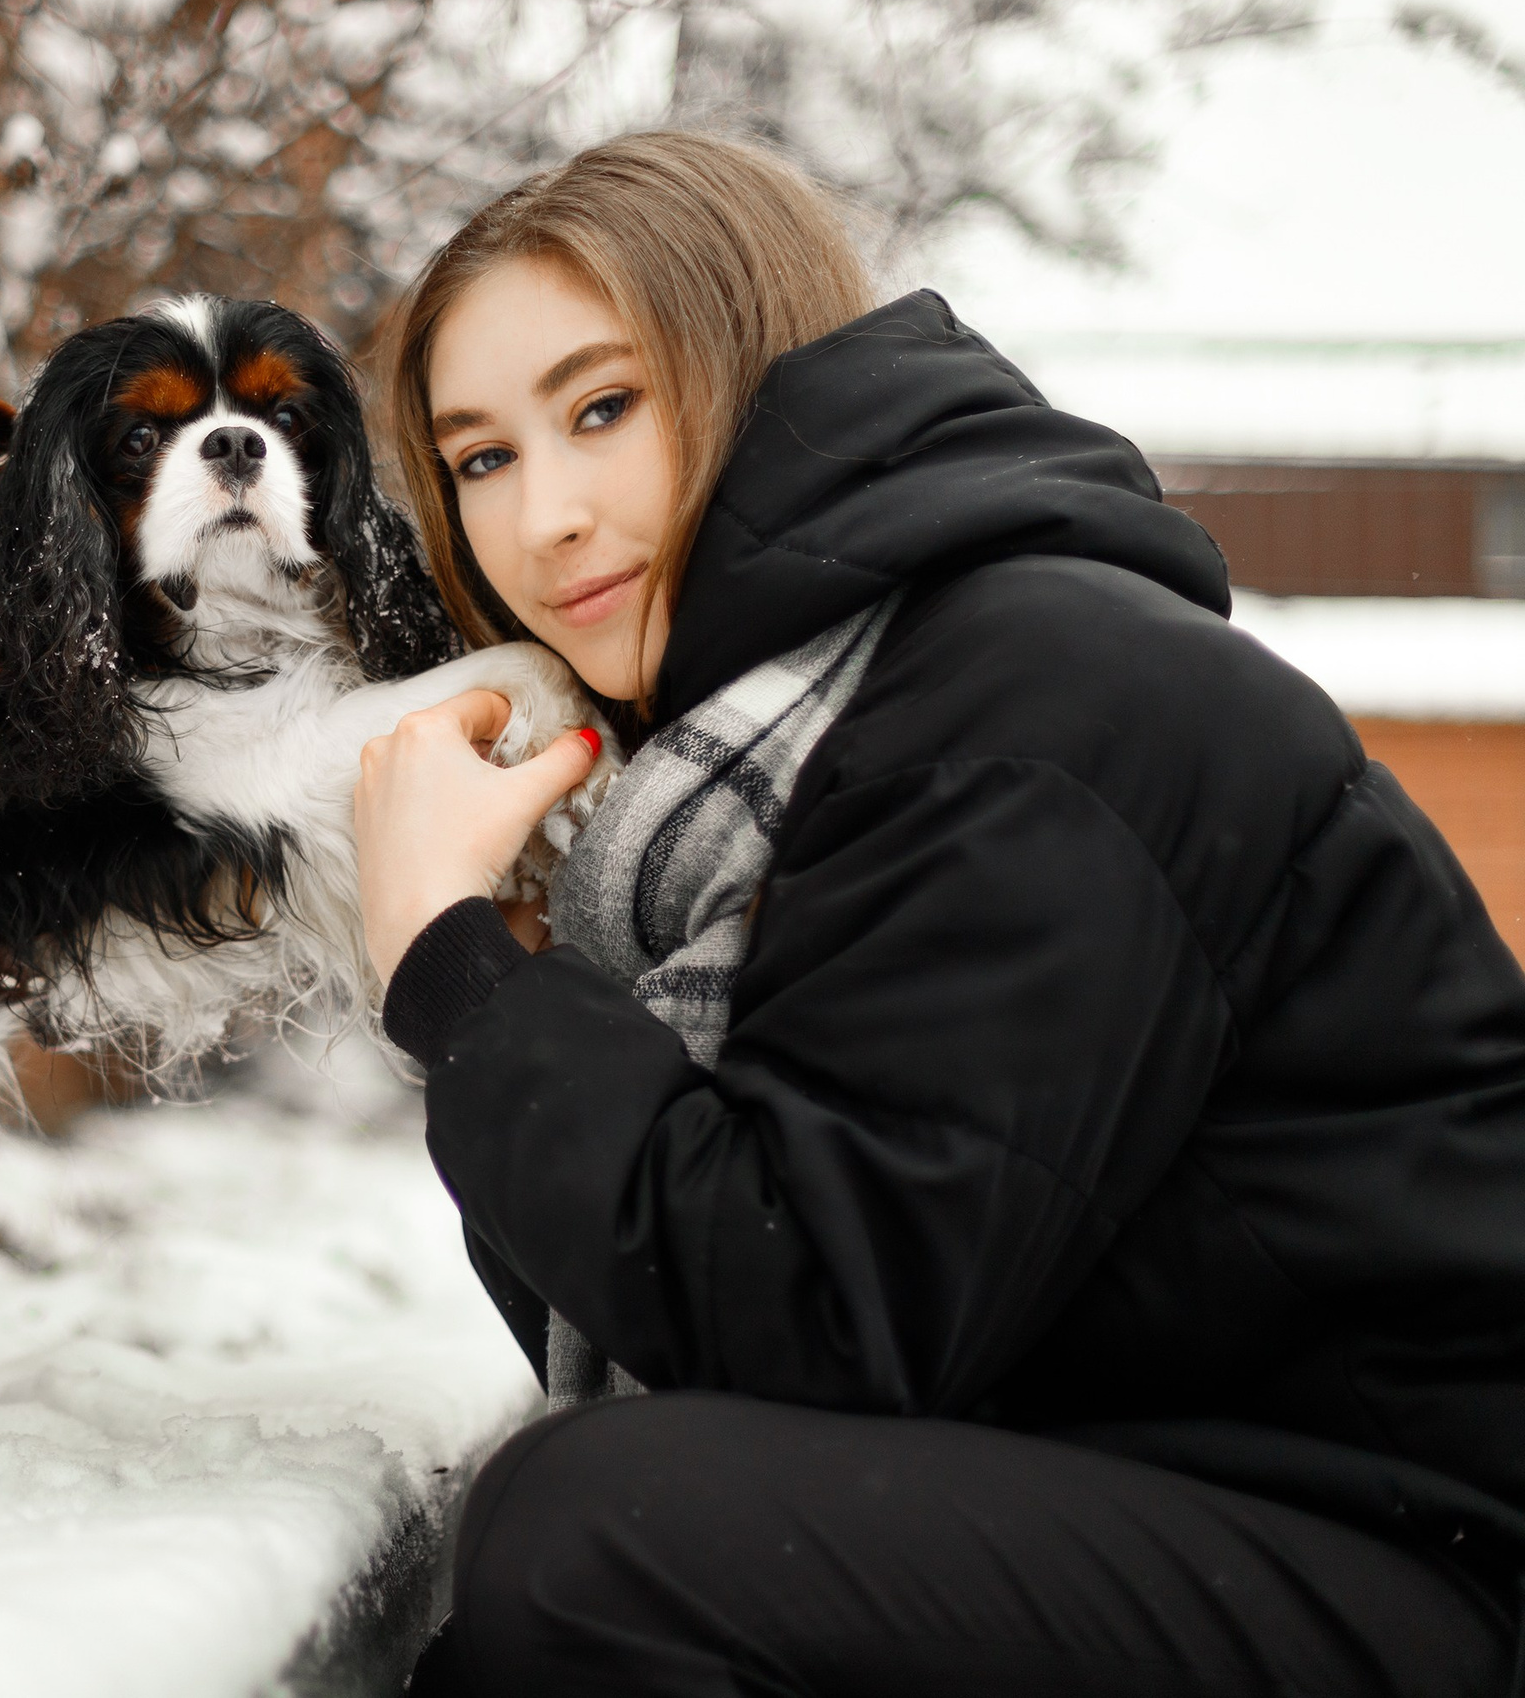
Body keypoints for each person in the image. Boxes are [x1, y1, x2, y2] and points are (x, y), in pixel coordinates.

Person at [352, 129, 1525, 1696]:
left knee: (594, 1545)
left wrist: (463, 973)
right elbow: (692, 1313)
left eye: (604, 408)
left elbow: (819, 1316)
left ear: (762, 373)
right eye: (482, 455)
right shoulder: (781, 767)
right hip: (1222, 1507)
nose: (543, 517)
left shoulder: (1026, 701)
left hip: (1422, 1572)